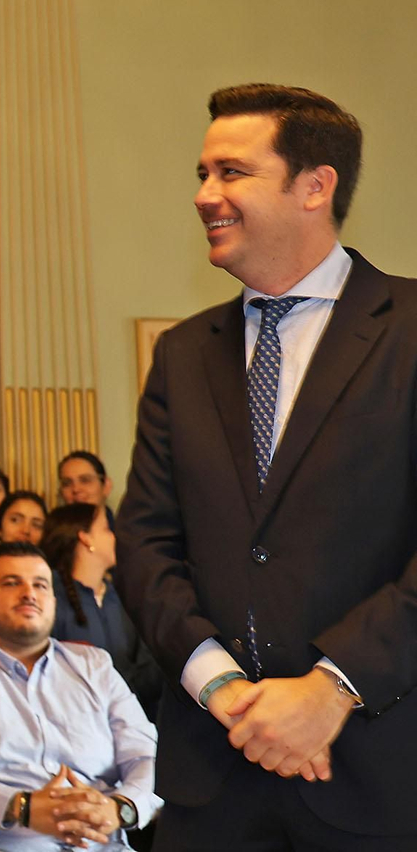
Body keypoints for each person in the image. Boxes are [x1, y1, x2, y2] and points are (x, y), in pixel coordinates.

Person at [117, 83, 417, 847]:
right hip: (211, 779)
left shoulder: (409, 330)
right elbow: (147, 546)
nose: (203, 195)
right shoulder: (182, 355)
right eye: (202, 172)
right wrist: (219, 685)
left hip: (379, 775)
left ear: (315, 186)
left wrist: (332, 687)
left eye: (231, 172)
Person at [0, 542, 160, 851]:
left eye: (40, 584)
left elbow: (146, 756)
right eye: (12, 583)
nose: (29, 593)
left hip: (100, 843)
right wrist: (19, 806)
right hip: (1, 843)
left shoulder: (94, 666)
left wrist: (121, 807)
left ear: (52, 599)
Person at [40, 503, 160, 717]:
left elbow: (147, 670)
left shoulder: (126, 596)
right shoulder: (49, 598)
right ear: (86, 539)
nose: (115, 537)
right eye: (106, 529)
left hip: (130, 721)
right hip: (69, 724)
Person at [57, 451, 115, 526]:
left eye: (85, 480)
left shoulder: (127, 533)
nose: (76, 489)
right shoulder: (53, 535)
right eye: (67, 483)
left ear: (106, 486)